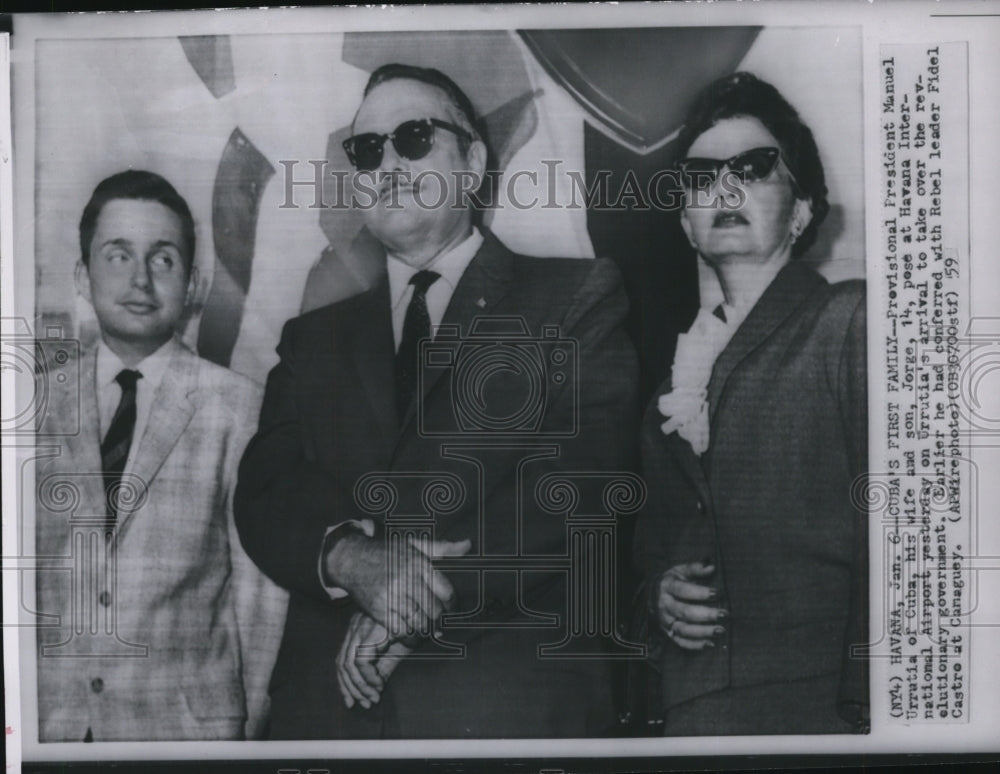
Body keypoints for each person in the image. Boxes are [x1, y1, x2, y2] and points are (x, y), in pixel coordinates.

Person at [234, 63, 640, 739]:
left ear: (474, 161)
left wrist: (417, 602)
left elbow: (581, 480)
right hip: (329, 717)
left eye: (415, 137)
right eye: (367, 150)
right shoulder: (311, 338)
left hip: (505, 710)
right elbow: (264, 490)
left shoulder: (576, 298)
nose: (388, 162)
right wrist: (349, 558)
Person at [639, 72, 868, 735]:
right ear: (686, 223)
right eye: (703, 177)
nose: (725, 189)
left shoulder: (847, 319)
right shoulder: (668, 389)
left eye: (754, 167)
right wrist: (657, 596)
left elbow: (898, 531)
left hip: (825, 702)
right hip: (693, 711)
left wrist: (872, 712)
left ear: (800, 212)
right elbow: (648, 553)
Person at [35, 170, 287, 742]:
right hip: (56, 728)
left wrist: (239, 739)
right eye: (117, 255)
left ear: (194, 284)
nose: (140, 280)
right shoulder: (34, 408)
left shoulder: (240, 409)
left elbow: (260, 601)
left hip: (187, 734)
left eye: (163, 259)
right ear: (82, 274)